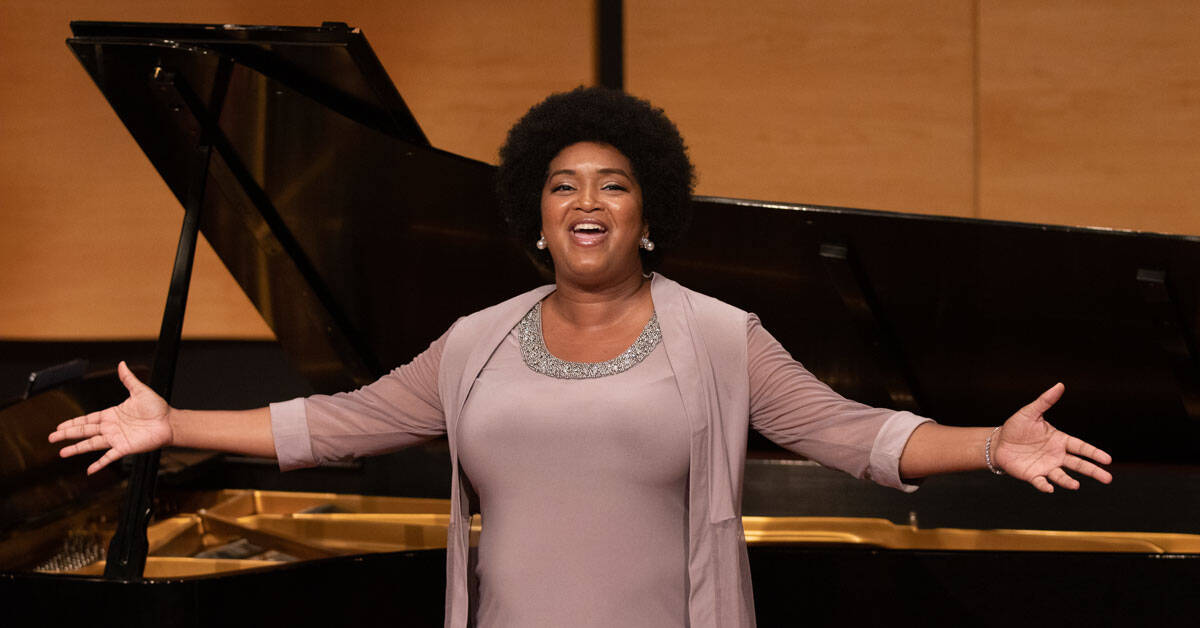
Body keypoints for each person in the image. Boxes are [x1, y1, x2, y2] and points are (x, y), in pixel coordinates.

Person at [49, 87, 1112, 628]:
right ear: (534, 218)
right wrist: (174, 424)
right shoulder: (474, 342)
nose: (588, 200)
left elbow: (856, 435)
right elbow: (339, 423)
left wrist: (990, 445)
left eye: (613, 182)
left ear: (649, 215)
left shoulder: (718, 334)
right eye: (564, 184)